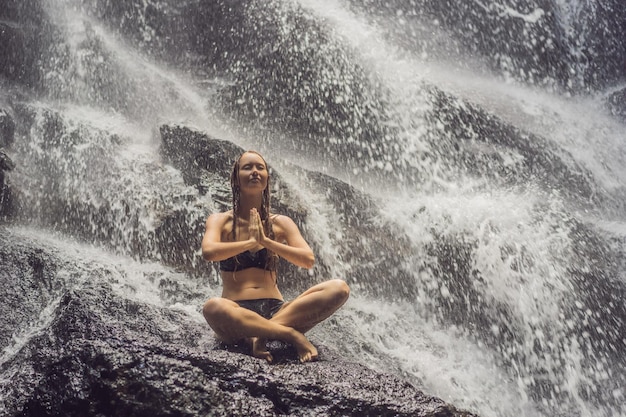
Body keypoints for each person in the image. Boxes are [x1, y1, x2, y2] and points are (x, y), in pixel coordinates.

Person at [201, 150, 350, 363]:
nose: (254, 172)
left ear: (267, 178)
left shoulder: (281, 222)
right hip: (237, 311)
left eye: (260, 167)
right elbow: (209, 252)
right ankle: (287, 334)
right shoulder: (220, 221)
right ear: (236, 177)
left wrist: (266, 242)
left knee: (339, 288)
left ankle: (262, 335)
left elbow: (307, 259)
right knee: (213, 307)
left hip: (278, 310)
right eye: (247, 167)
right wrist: (250, 243)